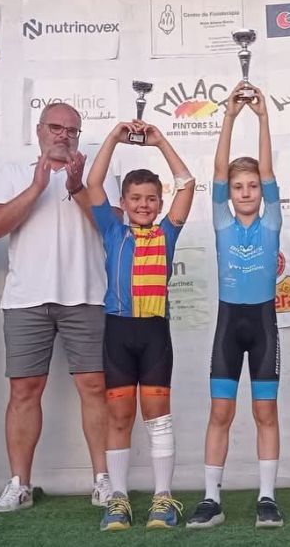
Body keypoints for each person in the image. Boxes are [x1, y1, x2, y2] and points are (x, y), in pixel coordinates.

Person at [0, 103, 117, 512]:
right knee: (24, 391)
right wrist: (37, 186)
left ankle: (103, 481)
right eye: (56, 127)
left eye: (72, 130)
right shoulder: (12, 171)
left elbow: (112, 227)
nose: (63, 135)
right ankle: (19, 485)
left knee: (94, 388)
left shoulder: (96, 173)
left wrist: (78, 188)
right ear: (39, 130)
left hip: (86, 294)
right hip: (26, 298)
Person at [84, 119, 195, 531]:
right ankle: (118, 499)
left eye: (151, 198)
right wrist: (114, 138)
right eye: (136, 198)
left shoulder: (167, 233)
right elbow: (93, 183)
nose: (144, 205)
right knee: (118, 417)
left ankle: (163, 497)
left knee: (157, 417)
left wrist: (160, 141)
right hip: (118, 331)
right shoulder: (113, 230)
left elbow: (187, 184)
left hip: (153, 334)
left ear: (159, 202)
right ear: (124, 202)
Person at [186, 83, 284, 529]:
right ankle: (211, 499)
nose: (245, 192)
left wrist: (262, 117)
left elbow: (268, 170)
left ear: (262, 191)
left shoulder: (272, 220)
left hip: (262, 326)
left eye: (252, 186)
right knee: (220, 412)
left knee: (265, 413)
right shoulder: (222, 219)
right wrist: (228, 115)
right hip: (229, 326)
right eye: (238, 186)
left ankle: (267, 498)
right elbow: (217, 173)